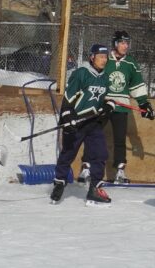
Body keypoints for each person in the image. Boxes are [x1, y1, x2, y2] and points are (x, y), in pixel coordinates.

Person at [50, 44, 115, 206]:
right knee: (68, 154)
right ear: (92, 57)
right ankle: (59, 182)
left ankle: (94, 189)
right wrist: (67, 118)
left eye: (105, 57)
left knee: (100, 155)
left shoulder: (106, 77)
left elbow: (109, 98)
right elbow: (68, 99)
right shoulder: (81, 74)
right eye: (100, 57)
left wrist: (108, 106)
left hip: (94, 123)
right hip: (77, 121)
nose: (103, 60)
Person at [95, 30, 155, 185]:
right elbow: (94, 78)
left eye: (127, 43)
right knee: (94, 134)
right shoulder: (104, 59)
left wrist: (144, 104)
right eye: (122, 42)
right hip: (103, 104)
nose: (125, 46)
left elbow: (136, 85)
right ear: (115, 44)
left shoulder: (131, 63)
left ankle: (120, 171)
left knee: (120, 139)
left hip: (121, 107)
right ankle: (88, 166)